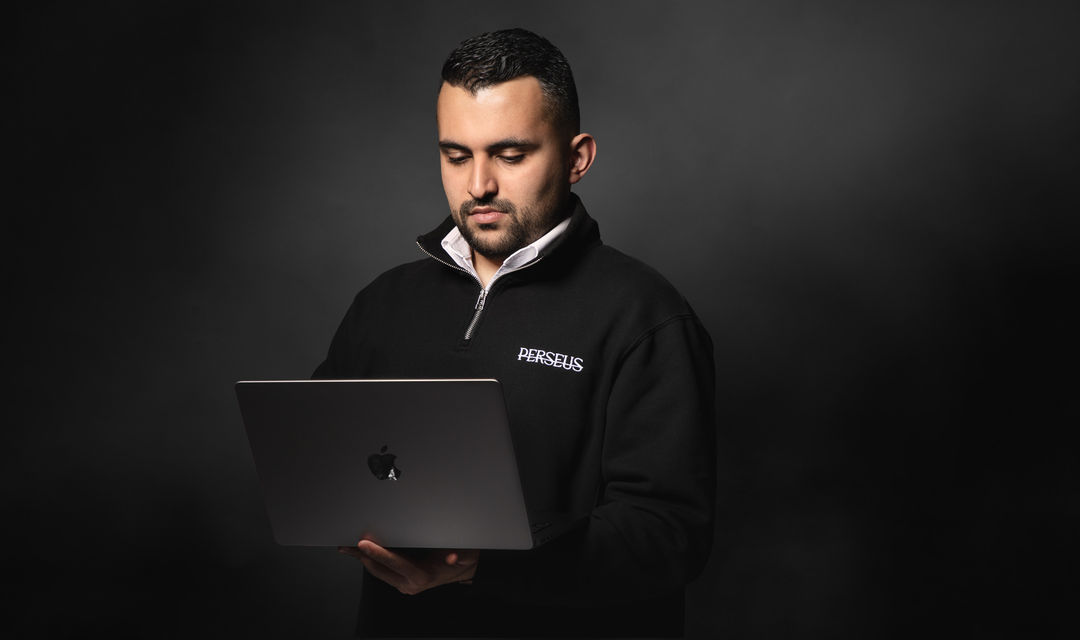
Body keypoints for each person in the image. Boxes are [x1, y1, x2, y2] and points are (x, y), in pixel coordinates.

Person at [315, 28, 716, 637]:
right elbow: (318, 460)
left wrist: (484, 564)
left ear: (577, 157)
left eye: (510, 155)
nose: (479, 186)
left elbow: (668, 537)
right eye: (456, 156)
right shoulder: (384, 302)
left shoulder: (647, 316)